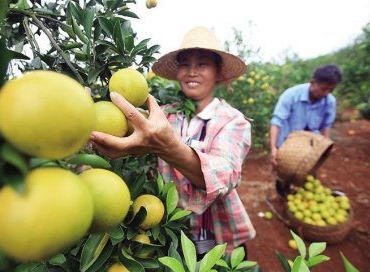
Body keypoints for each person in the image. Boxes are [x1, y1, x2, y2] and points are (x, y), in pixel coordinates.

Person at [89, 26, 256, 257]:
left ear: (218, 73)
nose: (192, 72)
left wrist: (166, 146)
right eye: (185, 64)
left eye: (202, 64)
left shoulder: (233, 121)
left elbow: (224, 175)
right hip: (169, 229)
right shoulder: (162, 114)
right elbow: (127, 133)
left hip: (216, 234)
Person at [269, 64, 342, 196]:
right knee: (285, 172)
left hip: (312, 144)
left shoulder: (329, 101)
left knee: (308, 173)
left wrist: (326, 144)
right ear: (313, 82)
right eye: (324, 89)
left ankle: (303, 196)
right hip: (288, 142)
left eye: (330, 90)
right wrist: (274, 147)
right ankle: (283, 194)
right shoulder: (291, 95)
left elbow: (325, 125)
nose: (326, 93)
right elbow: (277, 121)